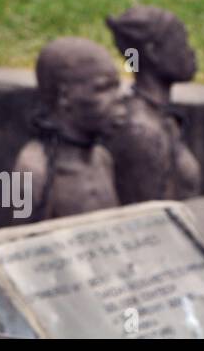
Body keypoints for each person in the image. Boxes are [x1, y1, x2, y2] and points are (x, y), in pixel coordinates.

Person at [14, 37, 123, 220]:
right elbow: (21, 244)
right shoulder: (35, 171)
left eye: (116, 88)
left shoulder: (102, 159)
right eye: (102, 89)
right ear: (65, 96)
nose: (118, 99)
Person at [105, 6, 202, 203]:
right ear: (153, 52)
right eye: (182, 42)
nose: (190, 51)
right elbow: (150, 221)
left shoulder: (161, 117)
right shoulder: (141, 132)